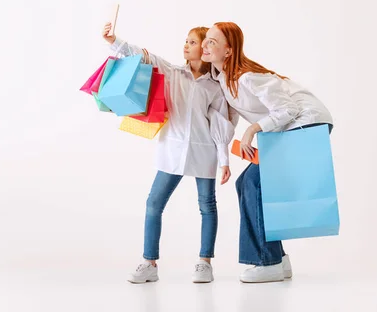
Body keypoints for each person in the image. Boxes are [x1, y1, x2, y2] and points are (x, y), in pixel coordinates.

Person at [101, 22, 236, 283]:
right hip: (171, 149)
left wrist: (224, 160)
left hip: (203, 151)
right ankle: (149, 262)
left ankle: (204, 262)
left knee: (207, 205)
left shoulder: (215, 87)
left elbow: (221, 125)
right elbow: (143, 55)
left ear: (207, 49)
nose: (187, 45)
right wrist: (114, 40)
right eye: (186, 41)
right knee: (154, 204)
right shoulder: (173, 72)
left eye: (193, 42)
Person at [201, 22, 333, 283]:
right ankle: (278, 259)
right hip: (293, 127)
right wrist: (223, 159)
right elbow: (228, 124)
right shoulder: (224, 80)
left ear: (228, 51)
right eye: (205, 39)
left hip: (307, 122)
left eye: (212, 41)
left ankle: (267, 261)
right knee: (250, 183)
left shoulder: (246, 76)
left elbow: (288, 110)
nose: (205, 44)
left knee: (253, 183)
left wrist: (254, 130)